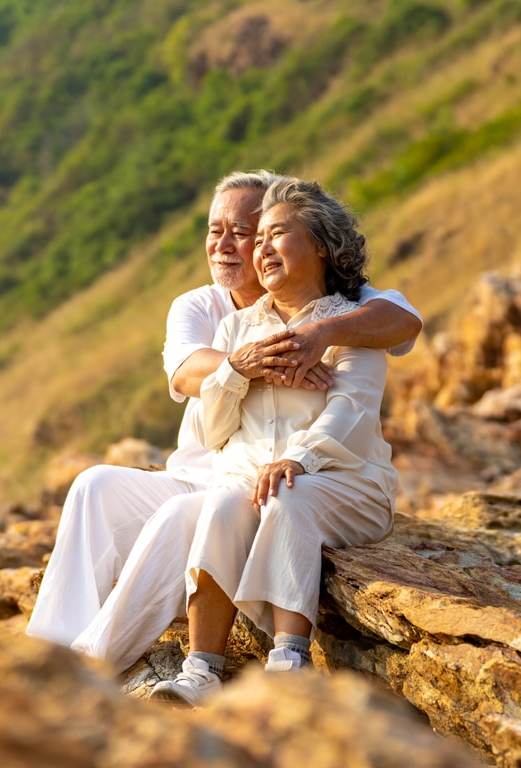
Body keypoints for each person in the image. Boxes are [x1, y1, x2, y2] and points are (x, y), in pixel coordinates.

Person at [26, 170, 422, 667]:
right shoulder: (207, 308)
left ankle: (89, 664)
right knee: (93, 485)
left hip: (255, 484)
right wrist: (251, 364)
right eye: (217, 230)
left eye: (249, 231)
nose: (229, 245)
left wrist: (320, 334)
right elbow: (188, 371)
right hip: (202, 472)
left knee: (185, 518)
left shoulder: (344, 305)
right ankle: (48, 646)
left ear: (313, 241)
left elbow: (403, 322)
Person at [149, 177, 398, 706]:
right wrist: (244, 374)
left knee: (287, 496)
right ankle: (201, 670)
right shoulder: (237, 330)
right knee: (220, 505)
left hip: (344, 483)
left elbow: (350, 411)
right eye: (257, 238)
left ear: (323, 246)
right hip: (251, 481)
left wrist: (297, 459)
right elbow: (214, 430)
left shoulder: (348, 324)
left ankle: (289, 660)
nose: (259, 250)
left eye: (276, 235)